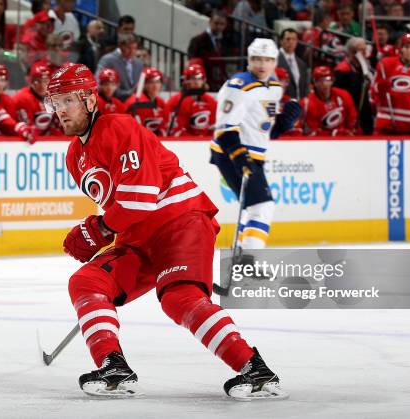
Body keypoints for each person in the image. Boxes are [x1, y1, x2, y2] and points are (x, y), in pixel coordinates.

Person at [44, 62, 288, 400]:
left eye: (67, 100)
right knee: (86, 281)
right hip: (138, 237)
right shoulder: (75, 156)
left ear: (89, 99)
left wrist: (97, 229)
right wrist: (99, 231)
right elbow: (122, 207)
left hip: (180, 221)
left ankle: (255, 369)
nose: (60, 110)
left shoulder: (120, 127)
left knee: (179, 298)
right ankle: (113, 366)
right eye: (54, 103)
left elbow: (140, 199)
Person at [210, 38, 299, 249]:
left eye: (267, 60)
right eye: (256, 59)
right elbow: (224, 129)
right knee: (263, 206)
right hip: (230, 153)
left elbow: (263, 130)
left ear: (274, 62)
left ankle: (242, 257)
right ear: (249, 60)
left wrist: (283, 123)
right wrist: (239, 156)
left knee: (252, 208)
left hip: (253, 155)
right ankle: (250, 261)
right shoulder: (238, 86)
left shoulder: (274, 87)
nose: (261, 64)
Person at [300, 66, 357, 136]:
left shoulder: (344, 95)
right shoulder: (307, 104)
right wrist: (334, 133)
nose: (324, 84)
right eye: (320, 80)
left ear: (332, 80)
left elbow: (352, 122)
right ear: (314, 83)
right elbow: (313, 134)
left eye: (327, 79)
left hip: (344, 140)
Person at [334, 37, 373, 134]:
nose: (365, 53)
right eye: (361, 50)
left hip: (365, 114)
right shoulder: (342, 69)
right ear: (352, 52)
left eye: (365, 49)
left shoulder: (364, 67)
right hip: (351, 114)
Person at [166, 63, 217, 137]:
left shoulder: (210, 100)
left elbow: (213, 127)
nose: (196, 82)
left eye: (199, 78)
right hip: (185, 144)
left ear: (204, 80)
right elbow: (175, 131)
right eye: (193, 78)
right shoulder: (176, 101)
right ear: (185, 80)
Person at [13, 62, 61, 136]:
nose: (42, 86)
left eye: (45, 81)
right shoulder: (22, 98)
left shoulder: (52, 97)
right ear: (31, 81)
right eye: (37, 81)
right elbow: (29, 130)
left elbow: (56, 125)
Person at [188, 10, 229, 91]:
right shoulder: (197, 40)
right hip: (203, 82)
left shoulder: (225, 41)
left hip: (219, 82)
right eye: (216, 23)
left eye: (222, 24)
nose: (219, 26)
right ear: (210, 22)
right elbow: (193, 61)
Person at [123, 67, 170, 137]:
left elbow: (165, 126)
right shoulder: (132, 102)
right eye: (151, 82)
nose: (155, 86)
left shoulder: (161, 103)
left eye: (157, 82)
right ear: (144, 84)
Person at [96, 33, 144, 101]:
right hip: (113, 101)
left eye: (135, 48)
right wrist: (129, 93)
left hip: (134, 103)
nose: (132, 51)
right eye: (129, 48)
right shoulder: (107, 60)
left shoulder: (139, 63)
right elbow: (98, 82)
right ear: (120, 46)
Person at [277, 28, 309, 100]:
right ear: (281, 41)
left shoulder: (302, 64)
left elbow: (304, 88)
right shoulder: (274, 60)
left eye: (294, 39)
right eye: (288, 39)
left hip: (298, 106)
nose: (291, 42)